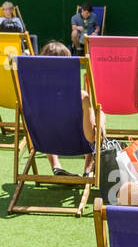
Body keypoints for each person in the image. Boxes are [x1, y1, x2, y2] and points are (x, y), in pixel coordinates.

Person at [35, 40, 99, 177]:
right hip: (76, 142)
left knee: (47, 126)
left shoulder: (33, 95)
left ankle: (56, 165)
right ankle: (88, 167)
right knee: (100, 115)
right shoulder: (81, 97)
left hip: (45, 142)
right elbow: (90, 136)